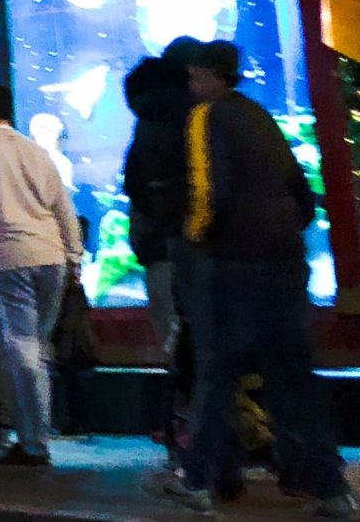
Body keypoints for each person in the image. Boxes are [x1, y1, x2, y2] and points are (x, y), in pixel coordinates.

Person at [146, 40, 352, 517]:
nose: (193, 86)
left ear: (209, 77)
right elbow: (300, 189)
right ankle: (332, 487)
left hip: (235, 264)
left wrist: (196, 240)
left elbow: (205, 189)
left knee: (218, 373)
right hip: (285, 261)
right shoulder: (260, 116)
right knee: (294, 377)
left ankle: (197, 479)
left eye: (196, 77)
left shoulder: (206, 117)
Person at [0, 80, 83, 467]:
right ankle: (34, 435)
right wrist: (73, 257)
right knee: (37, 347)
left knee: (21, 348)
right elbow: (64, 208)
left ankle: (33, 441)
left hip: (6, 256)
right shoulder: (37, 152)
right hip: (52, 256)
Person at [124, 46, 196, 456]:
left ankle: (185, 438)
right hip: (197, 247)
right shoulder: (199, 116)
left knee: (177, 342)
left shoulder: (153, 123)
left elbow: (137, 184)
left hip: (166, 249)